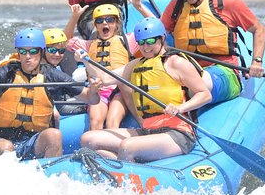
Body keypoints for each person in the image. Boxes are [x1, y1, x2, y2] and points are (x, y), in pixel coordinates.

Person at [130, 0, 265, 104]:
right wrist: (139, 7)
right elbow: (158, 33)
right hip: (187, 68)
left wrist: (257, 62)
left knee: (197, 85)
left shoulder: (228, 3)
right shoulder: (175, 6)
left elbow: (259, 30)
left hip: (224, 72)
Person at [76, 18, 212, 162]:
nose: (145, 47)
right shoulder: (135, 64)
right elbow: (105, 78)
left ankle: (126, 172)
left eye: (150, 42)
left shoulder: (176, 62)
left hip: (177, 133)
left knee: (127, 146)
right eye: (141, 43)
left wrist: (180, 107)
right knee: (88, 139)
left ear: (162, 38)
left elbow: (205, 95)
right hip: (147, 131)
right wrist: (86, 61)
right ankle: (120, 164)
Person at [0, 28, 101, 159]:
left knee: (54, 134)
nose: (28, 57)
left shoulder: (52, 75)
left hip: (33, 141)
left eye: (33, 51)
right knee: (6, 146)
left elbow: (91, 98)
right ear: (18, 52)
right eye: (23, 52)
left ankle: (51, 174)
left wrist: (94, 90)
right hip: (1, 139)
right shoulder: (8, 72)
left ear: (41, 52)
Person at [65, 3, 139, 131]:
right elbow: (65, 41)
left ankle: (114, 149)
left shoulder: (128, 40)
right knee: (95, 123)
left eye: (110, 20)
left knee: (112, 123)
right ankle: (94, 150)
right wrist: (75, 17)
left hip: (120, 90)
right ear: (96, 25)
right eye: (100, 21)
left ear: (116, 23)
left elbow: (153, 36)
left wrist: (139, 7)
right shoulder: (88, 45)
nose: (105, 24)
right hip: (99, 90)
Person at [42, 27, 86, 116]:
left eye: (61, 50)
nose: (57, 54)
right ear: (42, 50)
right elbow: (61, 108)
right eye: (52, 50)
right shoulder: (53, 74)